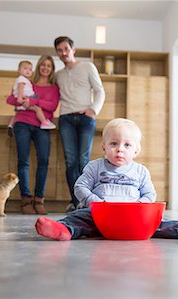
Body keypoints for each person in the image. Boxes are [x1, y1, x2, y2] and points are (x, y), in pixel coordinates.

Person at [35, 118, 178, 241]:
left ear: (136, 151)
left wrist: (142, 205)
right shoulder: (95, 167)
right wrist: (94, 201)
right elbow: (80, 186)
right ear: (104, 147)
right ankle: (63, 230)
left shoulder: (140, 171)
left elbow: (149, 193)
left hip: (133, 217)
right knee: (78, 217)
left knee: (160, 222)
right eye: (114, 144)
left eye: (127, 145)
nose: (120, 149)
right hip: (100, 215)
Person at [54, 36, 106, 213]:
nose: (63, 53)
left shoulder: (87, 66)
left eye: (66, 49)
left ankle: (86, 201)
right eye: (59, 50)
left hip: (85, 118)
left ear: (73, 50)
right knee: (70, 161)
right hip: (66, 118)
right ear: (57, 53)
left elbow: (100, 91)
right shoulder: (58, 75)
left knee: (84, 161)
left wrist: (94, 110)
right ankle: (76, 201)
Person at [6, 55, 59, 215]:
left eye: (49, 65)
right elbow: (10, 99)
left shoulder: (54, 88)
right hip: (23, 123)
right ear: (38, 67)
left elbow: (53, 106)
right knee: (23, 162)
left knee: (43, 161)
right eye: (43, 65)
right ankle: (26, 199)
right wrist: (23, 101)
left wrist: (34, 102)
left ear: (52, 69)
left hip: (43, 126)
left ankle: (39, 200)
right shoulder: (28, 81)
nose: (45, 68)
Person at [7, 60, 55, 133]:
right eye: (25, 68)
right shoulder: (22, 79)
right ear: (19, 70)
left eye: (30, 69)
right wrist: (20, 97)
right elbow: (18, 89)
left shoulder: (25, 80)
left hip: (25, 100)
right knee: (37, 109)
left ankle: (11, 125)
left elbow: (52, 106)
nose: (28, 71)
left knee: (17, 113)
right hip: (25, 101)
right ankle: (44, 122)